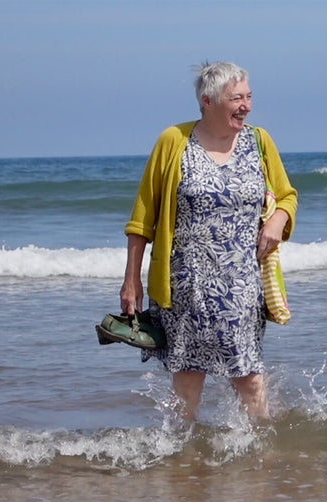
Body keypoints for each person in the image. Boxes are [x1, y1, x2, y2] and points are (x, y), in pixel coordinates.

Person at [120, 61, 297, 422]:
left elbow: (287, 195)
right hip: (184, 285)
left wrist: (278, 219)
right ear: (208, 100)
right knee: (187, 379)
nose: (246, 105)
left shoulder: (259, 141)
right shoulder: (174, 141)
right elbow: (142, 219)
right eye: (236, 98)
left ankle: (263, 456)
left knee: (248, 377)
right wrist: (132, 280)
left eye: (248, 96)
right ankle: (185, 460)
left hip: (242, 285)